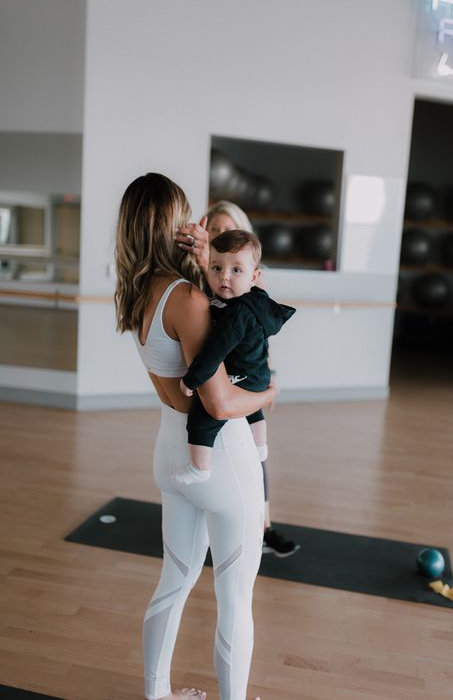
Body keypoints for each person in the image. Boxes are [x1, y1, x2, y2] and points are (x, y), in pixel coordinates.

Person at [115, 174, 274, 700]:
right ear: (169, 224)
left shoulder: (137, 294)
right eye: (185, 214)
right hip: (219, 458)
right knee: (235, 599)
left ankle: (158, 696)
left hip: (170, 455)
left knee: (174, 582)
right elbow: (222, 401)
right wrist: (268, 395)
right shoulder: (186, 297)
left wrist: (206, 260)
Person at [176, 201, 301, 558]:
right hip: (222, 380)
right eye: (213, 230)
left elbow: (256, 338)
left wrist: (267, 383)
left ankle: (263, 526)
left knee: (256, 457)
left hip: (243, 379)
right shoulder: (206, 279)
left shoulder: (243, 284)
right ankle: (221, 531)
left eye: (225, 229)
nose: (217, 235)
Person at [174, 229, 295, 485]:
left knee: (203, 414)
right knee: (253, 412)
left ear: (255, 276)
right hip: (258, 376)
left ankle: (200, 467)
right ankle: (260, 446)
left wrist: (192, 380)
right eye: (216, 268)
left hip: (241, 377)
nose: (224, 277)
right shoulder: (252, 302)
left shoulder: (238, 314)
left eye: (236, 270)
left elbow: (214, 351)